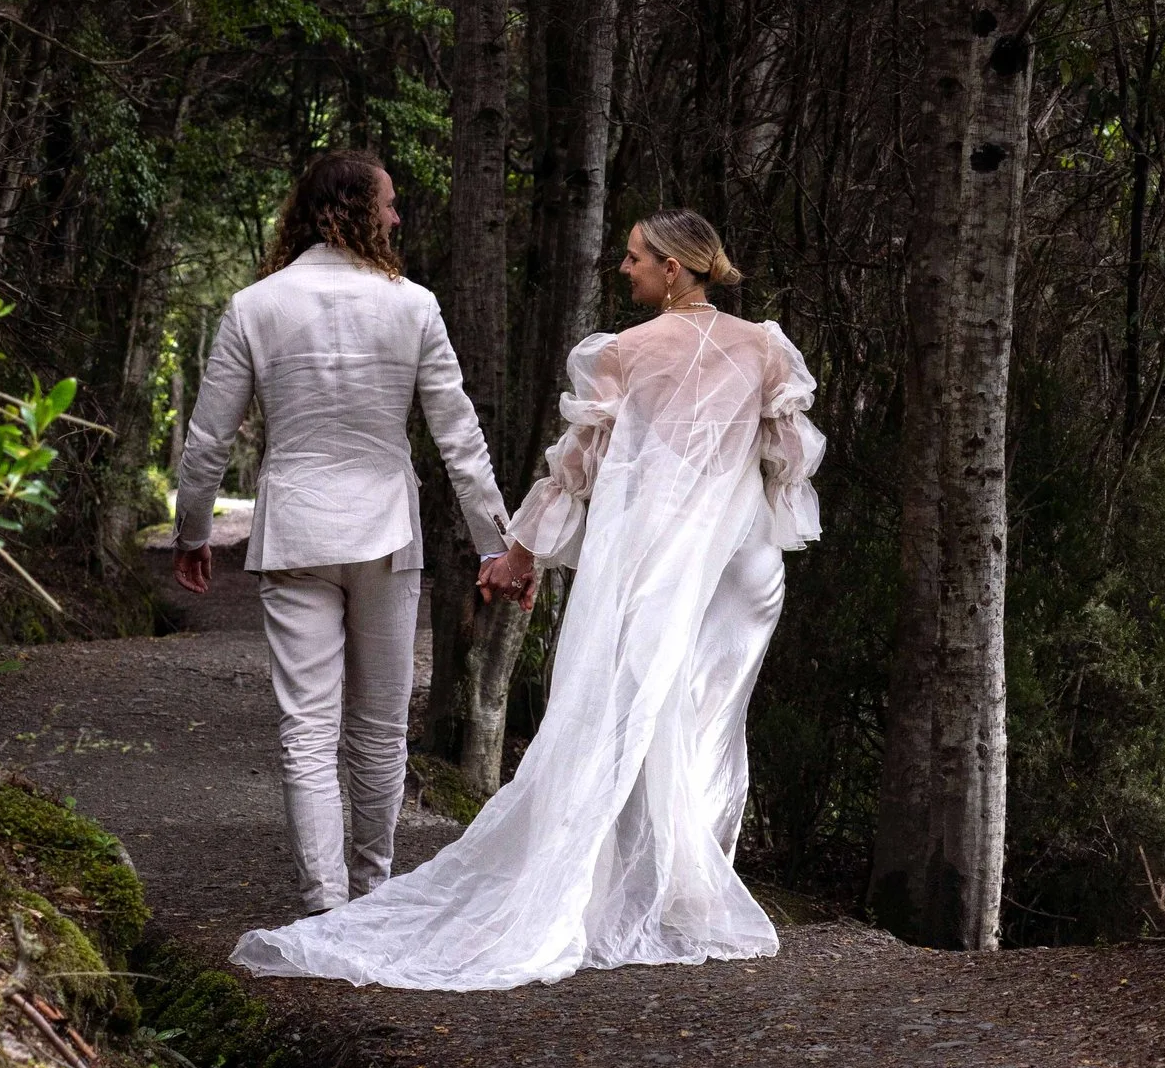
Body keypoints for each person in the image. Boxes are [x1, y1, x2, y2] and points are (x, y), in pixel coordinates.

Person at [232, 210, 822, 990]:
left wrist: (519, 552)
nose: (624, 267)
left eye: (636, 257)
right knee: (708, 713)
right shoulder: (766, 349)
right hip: (741, 566)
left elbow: (575, 470)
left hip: (653, 560)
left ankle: (621, 886)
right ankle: (687, 888)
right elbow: (786, 460)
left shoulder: (623, 353)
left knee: (628, 711)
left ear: (675, 269)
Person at [173, 148, 510, 917]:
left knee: (306, 725)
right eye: (388, 203)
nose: (397, 217)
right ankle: (372, 892)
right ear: (354, 208)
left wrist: (194, 531)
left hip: (295, 531)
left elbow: (206, 441)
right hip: (386, 533)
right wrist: (495, 542)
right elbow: (459, 437)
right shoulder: (412, 305)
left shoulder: (255, 306)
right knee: (381, 727)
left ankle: (325, 906)